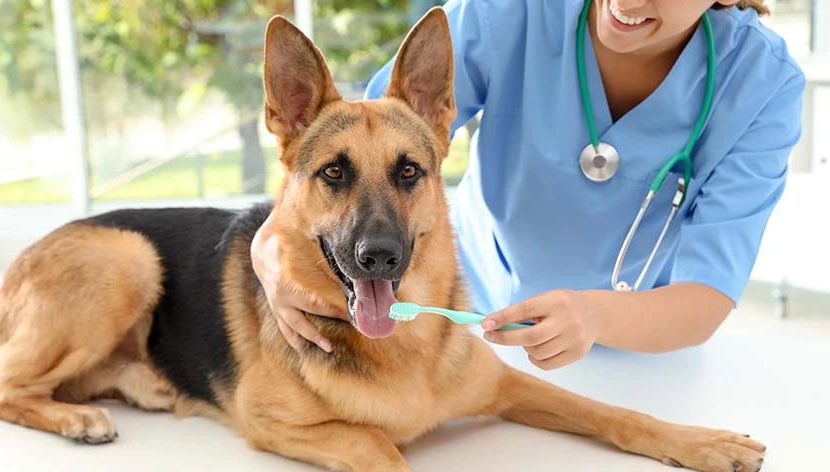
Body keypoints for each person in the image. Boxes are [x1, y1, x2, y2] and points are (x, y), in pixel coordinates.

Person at [250, 0, 805, 370]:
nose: (628, 3)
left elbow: (706, 296)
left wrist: (597, 317)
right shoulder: (509, 11)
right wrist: (267, 247)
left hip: (645, 347)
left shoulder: (761, 83)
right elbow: (348, 141)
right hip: (466, 320)